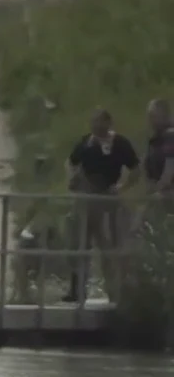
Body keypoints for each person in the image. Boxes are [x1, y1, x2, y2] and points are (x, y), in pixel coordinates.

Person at [67, 108, 139, 261]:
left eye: (101, 122)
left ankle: (112, 268)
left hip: (108, 196)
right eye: (94, 123)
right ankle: (79, 270)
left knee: (110, 240)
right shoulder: (86, 142)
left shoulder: (119, 143)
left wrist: (122, 187)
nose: (97, 126)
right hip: (87, 195)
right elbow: (71, 162)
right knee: (81, 237)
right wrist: (73, 177)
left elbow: (136, 169)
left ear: (109, 123)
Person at [144, 99, 174, 198]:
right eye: (150, 116)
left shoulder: (171, 136)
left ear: (165, 115)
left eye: (154, 116)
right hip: (160, 195)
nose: (151, 120)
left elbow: (170, 170)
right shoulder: (154, 140)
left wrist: (158, 190)